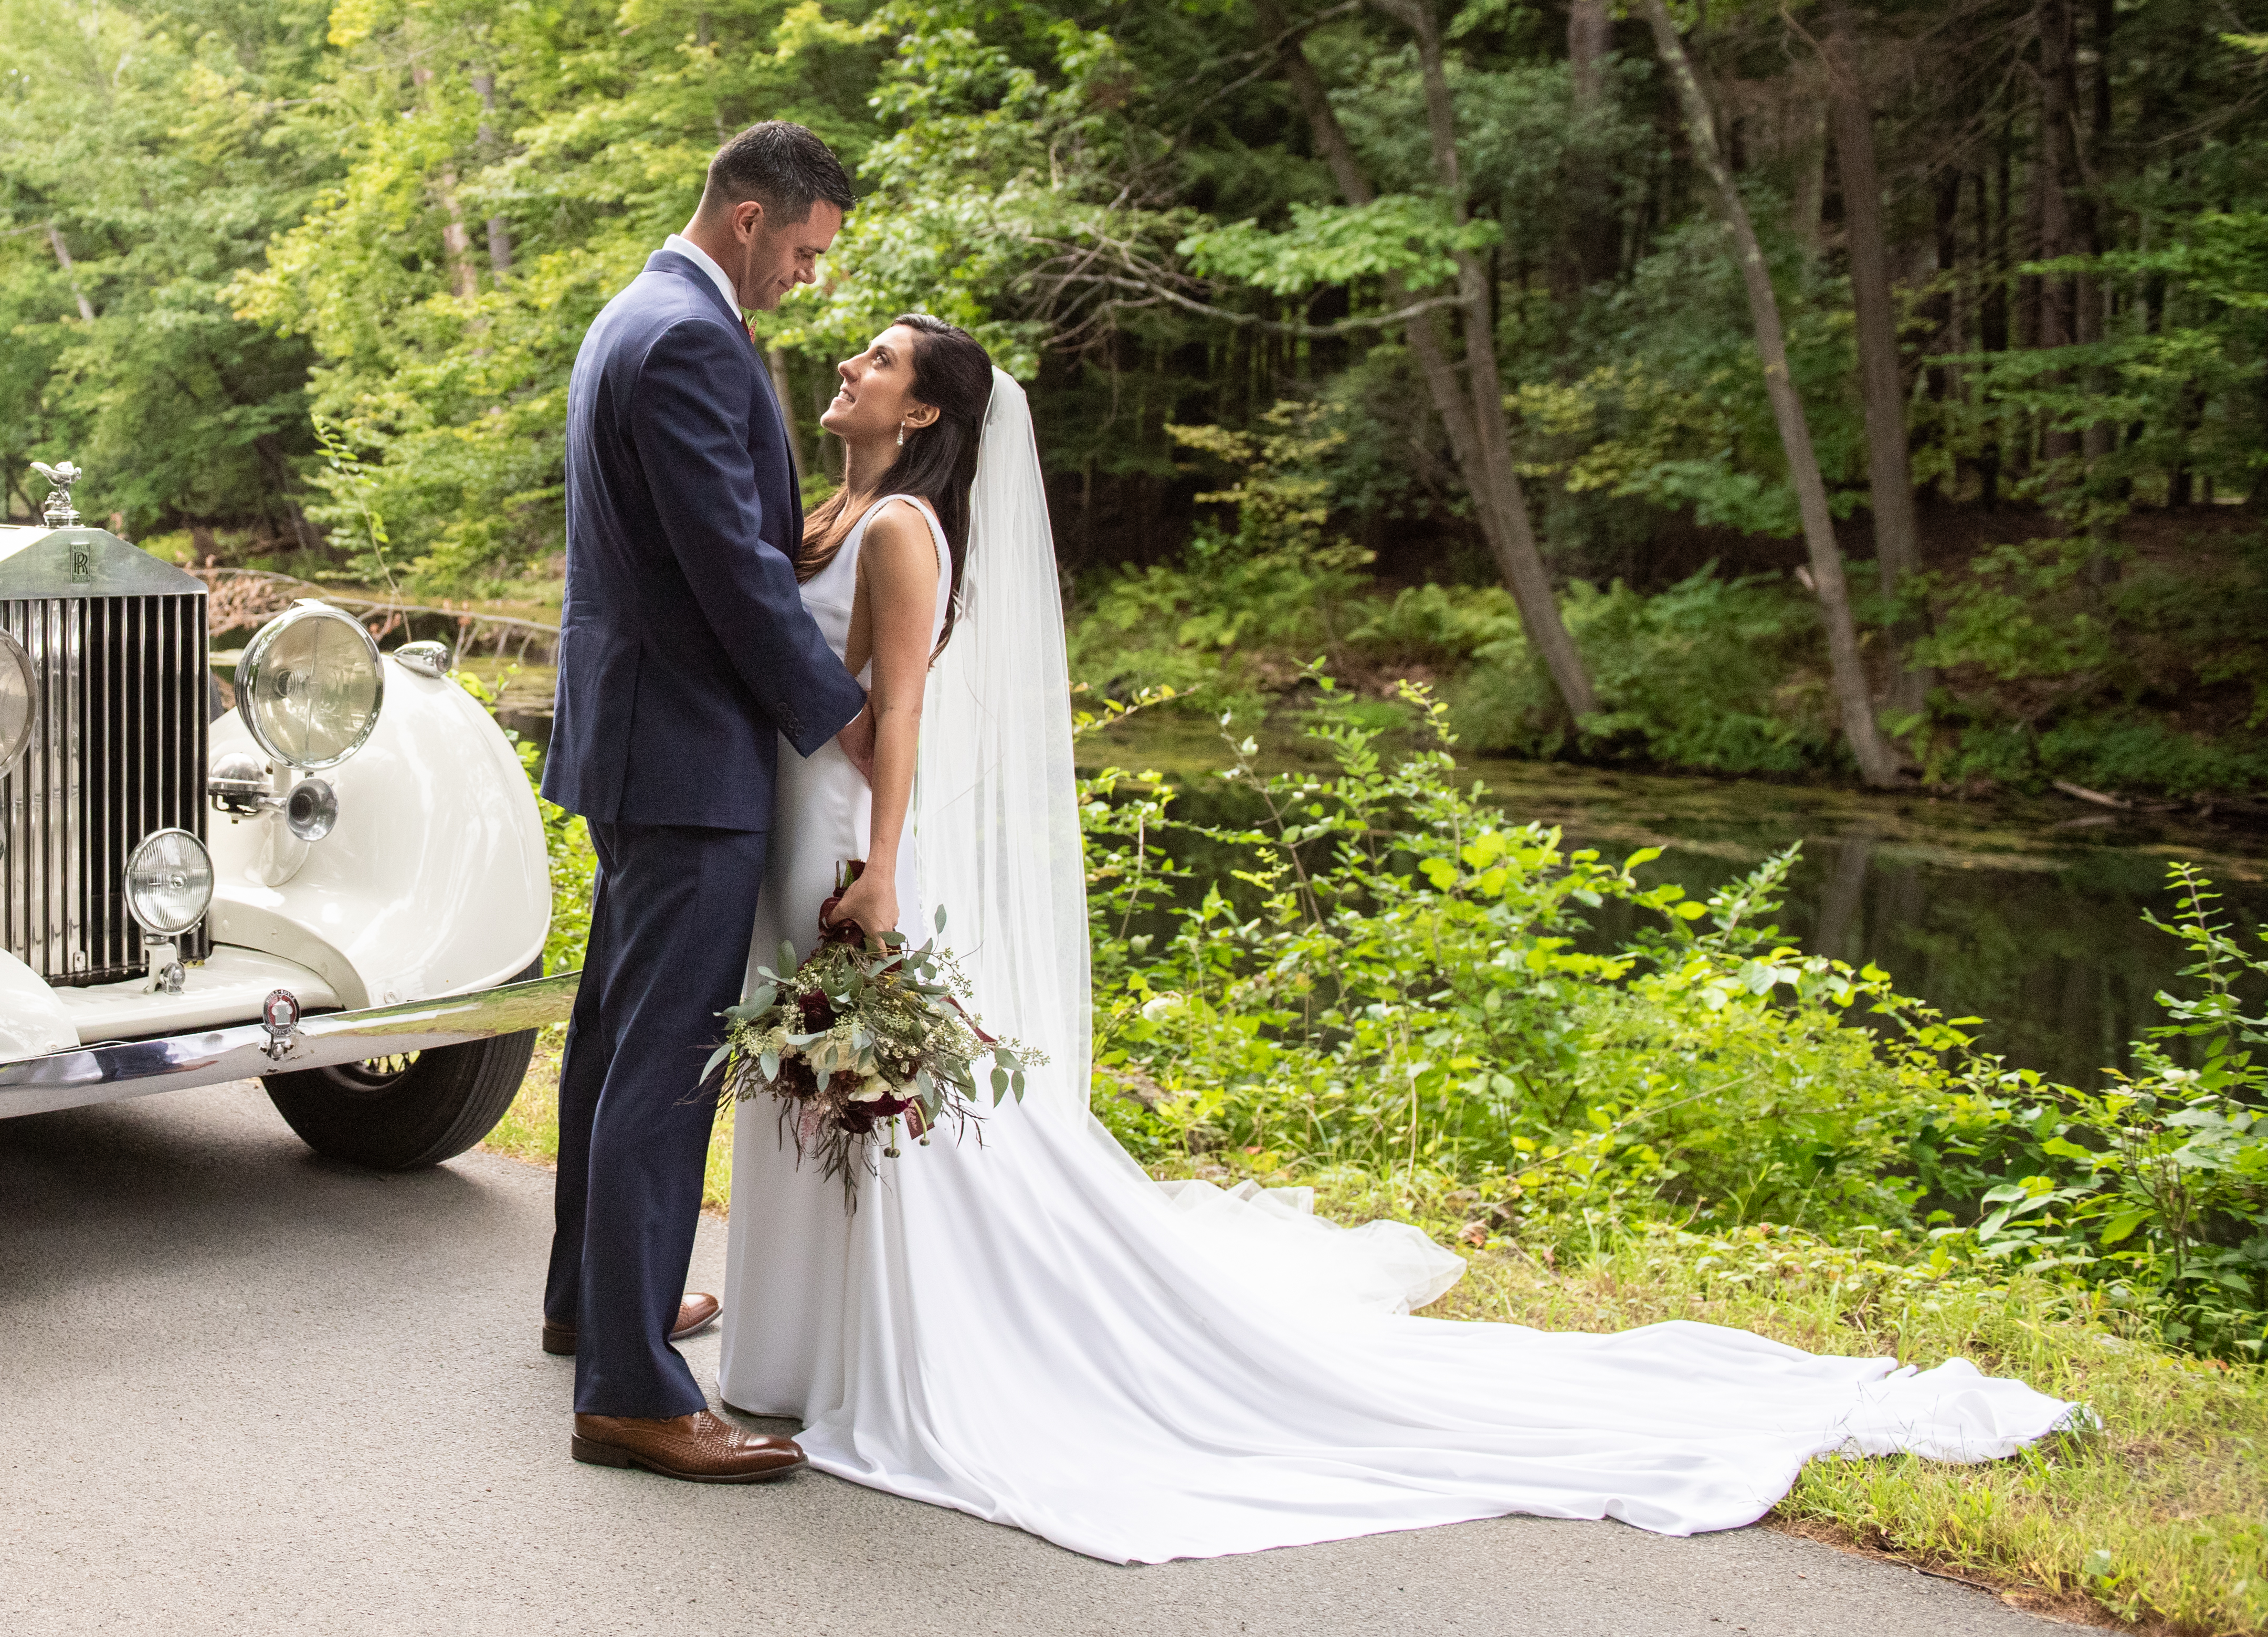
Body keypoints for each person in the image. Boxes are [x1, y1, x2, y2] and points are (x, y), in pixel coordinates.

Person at [713, 313, 2083, 1560]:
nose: (850, 367)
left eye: (880, 361)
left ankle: (892, 1362)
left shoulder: (902, 533)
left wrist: (883, 869)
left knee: (880, 1112)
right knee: (821, 1092)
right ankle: (807, 1353)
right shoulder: (841, 505)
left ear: (933, 413)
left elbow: (898, 715)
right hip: (795, 832)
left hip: (851, 844)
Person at [540, 121, 870, 1484]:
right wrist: (845, 716)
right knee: (669, 1061)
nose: (807, 275)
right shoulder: (686, 337)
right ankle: (629, 1389)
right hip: (684, 754)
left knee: (619, 1032)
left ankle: (592, 1299)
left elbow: (714, 541)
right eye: (803, 247)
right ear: (748, 217)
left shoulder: (644, 309)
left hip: (639, 740)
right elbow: (732, 572)